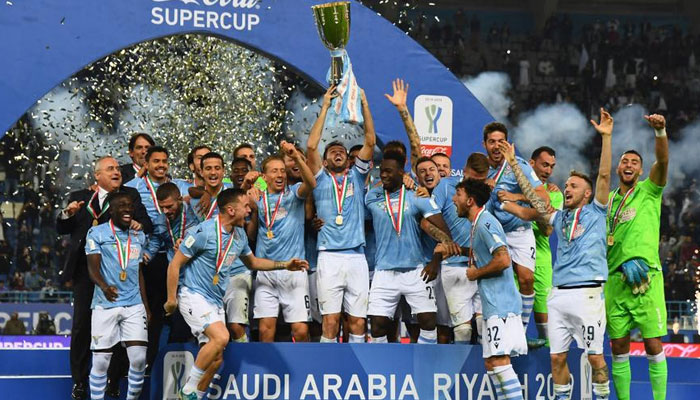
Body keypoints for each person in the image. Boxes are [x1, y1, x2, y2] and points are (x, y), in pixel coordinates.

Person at [501, 107, 614, 400]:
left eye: (573, 186)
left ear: (587, 193)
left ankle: (603, 397)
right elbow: (533, 200)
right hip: (559, 295)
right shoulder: (559, 217)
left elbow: (604, 175)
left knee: (595, 357)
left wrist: (606, 137)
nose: (567, 188)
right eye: (565, 185)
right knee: (557, 358)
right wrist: (513, 164)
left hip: (588, 295)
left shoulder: (596, 212)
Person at [164, 188, 308, 399]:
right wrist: (171, 299)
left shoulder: (239, 236)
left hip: (215, 301)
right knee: (222, 337)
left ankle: (194, 396)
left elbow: (254, 263)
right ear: (231, 210)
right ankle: (187, 390)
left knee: (216, 359)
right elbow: (175, 264)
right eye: (246, 206)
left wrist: (285, 265)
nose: (250, 210)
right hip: (193, 295)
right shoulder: (202, 232)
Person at [56, 156, 152, 400]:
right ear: (97, 175)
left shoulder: (129, 196)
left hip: (118, 271)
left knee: (120, 329)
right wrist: (68, 213)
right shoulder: (81, 196)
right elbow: (63, 229)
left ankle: (113, 379)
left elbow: (146, 223)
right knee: (81, 326)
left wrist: (138, 224)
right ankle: (80, 381)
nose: (116, 171)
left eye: (118, 168)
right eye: (110, 169)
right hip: (85, 270)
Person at [606, 114, 670, 400]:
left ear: (641, 170)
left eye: (634, 162)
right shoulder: (609, 200)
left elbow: (663, 161)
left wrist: (660, 132)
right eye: (625, 161)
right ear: (618, 168)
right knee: (618, 347)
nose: (629, 165)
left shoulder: (649, 191)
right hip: (616, 281)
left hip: (648, 278)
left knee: (653, 344)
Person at [306, 85, 376, 343]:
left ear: (349, 160)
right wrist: (325, 106)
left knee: (358, 321)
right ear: (324, 162)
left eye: (343, 152)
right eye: (332, 151)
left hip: (357, 257)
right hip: (329, 257)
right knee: (330, 321)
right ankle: (328, 364)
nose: (339, 151)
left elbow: (370, 141)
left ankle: (355, 364)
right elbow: (311, 146)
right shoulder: (319, 179)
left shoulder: (356, 177)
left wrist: (364, 104)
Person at [365, 150, 456, 345]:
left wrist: (435, 262)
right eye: (382, 171)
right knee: (378, 326)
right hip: (384, 271)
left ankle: (425, 360)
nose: (383, 175)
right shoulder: (372, 197)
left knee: (428, 322)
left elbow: (444, 233)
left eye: (388, 171)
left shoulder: (417, 197)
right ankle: (382, 362)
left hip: (416, 269)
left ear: (401, 173)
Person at [447, 178, 526, 400]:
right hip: (493, 304)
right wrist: (457, 251)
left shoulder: (485, 223)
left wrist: (476, 273)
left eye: (458, 194)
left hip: (501, 305)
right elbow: (485, 255)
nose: (453, 199)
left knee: (500, 362)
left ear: (470, 200)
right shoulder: (477, 224)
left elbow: (503, 260)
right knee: (492, 364)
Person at [482, 122, 550, 334]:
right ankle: (495, 331)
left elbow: (543, 198)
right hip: (492, 233)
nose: (496, 146)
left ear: (508, 143)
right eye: (491, 142)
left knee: (526, 280)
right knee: (495, 283)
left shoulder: (519, 165)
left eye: (500, 142)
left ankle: (520, 331)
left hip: (519, 230)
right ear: (484, 144)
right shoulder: (479, 167)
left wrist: (516, 196)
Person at [248, 142, 317, 342]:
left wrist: (296, 157)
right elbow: (251, 234)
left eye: (282, 171)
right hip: (266, 271)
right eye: (274, 171)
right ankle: (266, 363)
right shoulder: (258, 197)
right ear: (264, 176)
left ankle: (304, 362)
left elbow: (311, 183)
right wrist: (250, 193)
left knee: (300, 330)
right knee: (265, 331)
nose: (280, 175)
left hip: (293, 269)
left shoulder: (294, 193)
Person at [85, 192, 149, 400]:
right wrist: (104, 287)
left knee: (139, 359)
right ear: (111, 210)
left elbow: (138, 272)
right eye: (122, 205)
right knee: (101, 361)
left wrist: (146, 306)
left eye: (130, 205)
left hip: (134, 304)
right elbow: (92, 269)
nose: (127, 209)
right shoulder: (96, 233)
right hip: (105, 304)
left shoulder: (138, 236)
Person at [497, 146, 562, 346]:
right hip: (512, 254)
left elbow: (547, 230)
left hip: (541, 260)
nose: (548, 170)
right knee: (513, 304)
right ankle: (515, 343)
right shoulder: (508, 187)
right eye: (544, 165)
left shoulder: (554, 195)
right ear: (531, 164)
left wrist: (521, 198)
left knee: (544, 317)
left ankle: (548, 356)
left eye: (552, 166)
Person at [190, 153, 231, 221]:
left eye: (217, 168)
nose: (213, 172)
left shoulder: (233, 193)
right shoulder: (194, 202)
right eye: (208, 169)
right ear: (201, 172)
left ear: (224, 171)